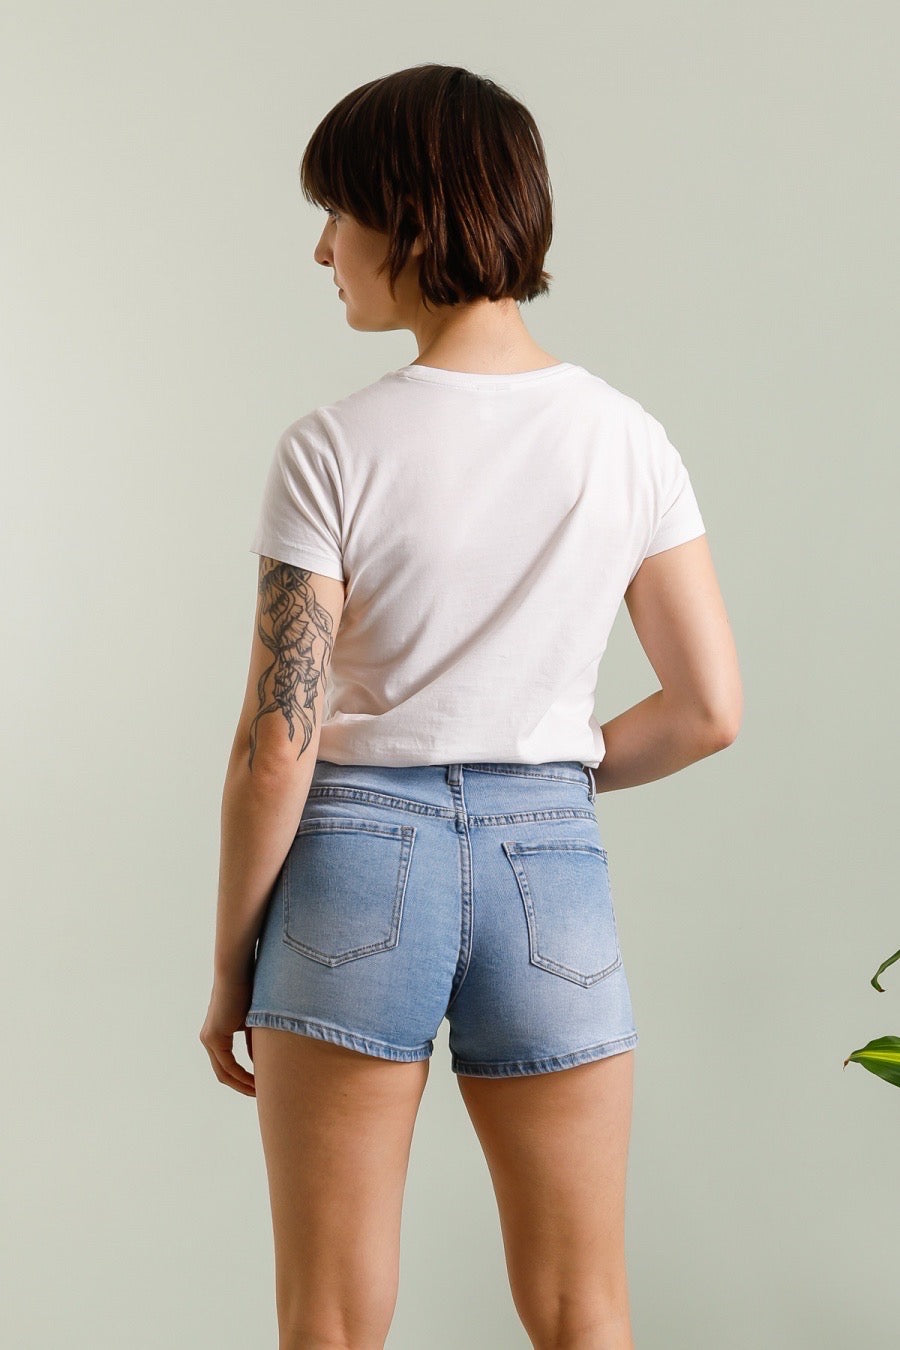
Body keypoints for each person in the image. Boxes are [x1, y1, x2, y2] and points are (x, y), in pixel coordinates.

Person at [199, 63, 742, 1350]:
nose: (323, 249)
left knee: (330, 1322)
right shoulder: (627, 439)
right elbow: (709, 709)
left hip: (351, 862)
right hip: (551, 865)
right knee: (582, 1309)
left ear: (411, 217)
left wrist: (231, 967)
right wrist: (541, 775)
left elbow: (278, 748)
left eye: (338, 214)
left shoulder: (332, 447)